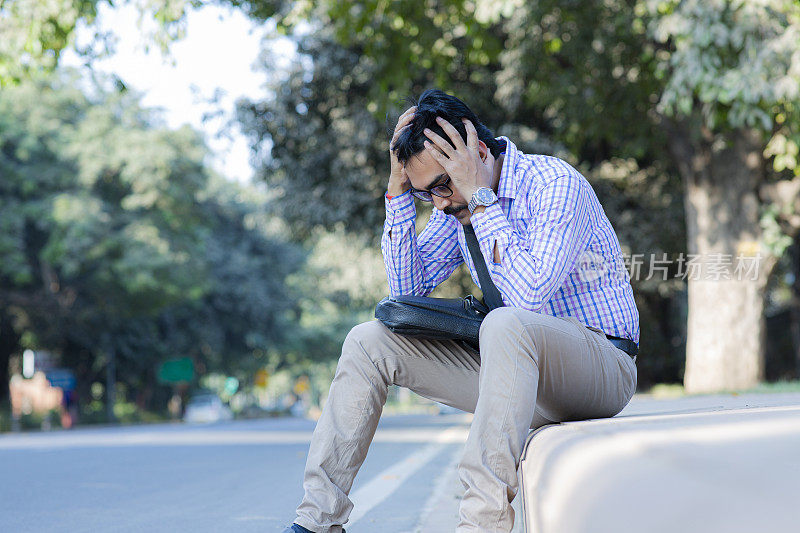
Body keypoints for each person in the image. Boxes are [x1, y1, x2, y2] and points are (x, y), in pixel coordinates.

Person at [284, 89, 639, 533]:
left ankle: (481, 525)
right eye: (424, 193)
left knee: (507, 322)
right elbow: (406, 292)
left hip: (598, 368)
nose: (438, 202)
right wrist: (397, 195)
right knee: (368, 340)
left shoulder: (553, 185)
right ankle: (317, 521)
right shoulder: (453, 208)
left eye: (442, 185)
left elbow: (528, 298)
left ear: (478, 153)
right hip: (516, 376)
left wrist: (478, 198)